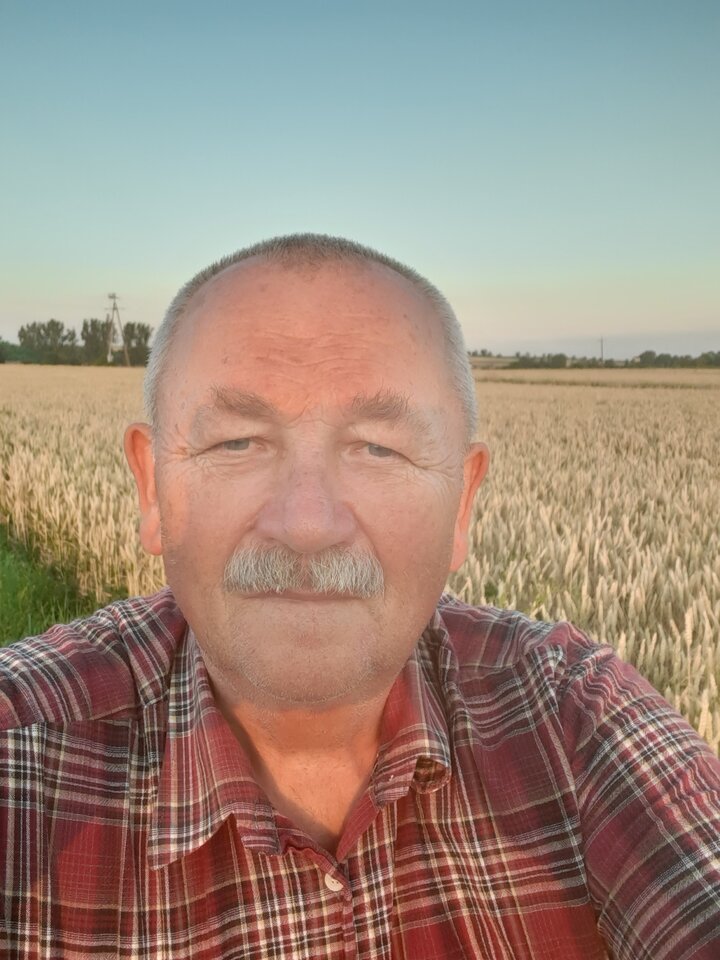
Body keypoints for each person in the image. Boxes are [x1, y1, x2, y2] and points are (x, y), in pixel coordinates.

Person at [0, 234, 718, 959]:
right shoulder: (22, 757)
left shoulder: (576, 719)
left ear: (462, 504)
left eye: (379, 448)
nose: (308, 525)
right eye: (237, 443)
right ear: (152, 488)